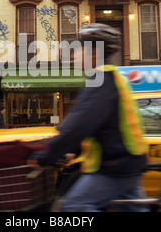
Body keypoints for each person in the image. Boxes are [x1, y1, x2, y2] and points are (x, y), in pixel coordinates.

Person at [28, 23, 149, 212]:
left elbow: (79, 125)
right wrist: (72, 150)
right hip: (128, 162)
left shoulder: (100, 81)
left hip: (114, 166)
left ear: (93, 53)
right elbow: (99, 126)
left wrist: (46, 155)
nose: (74, 55)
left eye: (78, 50)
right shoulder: (113, 78)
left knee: (75, 206)